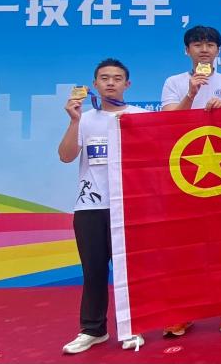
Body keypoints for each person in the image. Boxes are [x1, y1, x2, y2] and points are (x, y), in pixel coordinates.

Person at [58, 59, 147, 354]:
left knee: (131, 272)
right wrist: (73, 121)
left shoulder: (141, 117)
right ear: (94, 84)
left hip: (130, 207)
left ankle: (133, 327)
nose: (111, 82)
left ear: (127, 84)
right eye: (104, 78)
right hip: (90, 208)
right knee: (94, 270)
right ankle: (93, 330)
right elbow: (66, 156)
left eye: (117, 78)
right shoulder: (84, 119)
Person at [160, 25, 221, 336]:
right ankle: (183, 312)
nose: (204, 50)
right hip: (184, 172)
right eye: (197, 44)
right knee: (186, 245)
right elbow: (167, 122)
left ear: (218, 50)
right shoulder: (174, 82)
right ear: (187, 50)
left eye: (210, 44)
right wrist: (191, 93)